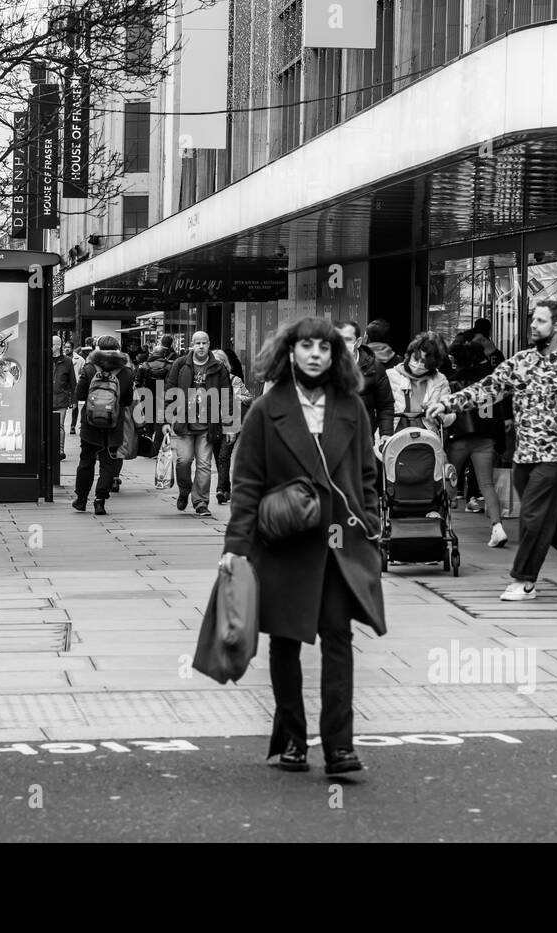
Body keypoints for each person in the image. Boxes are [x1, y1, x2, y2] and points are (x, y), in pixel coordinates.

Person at [221, 316, 385, 777]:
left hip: (339, 545)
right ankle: (293, 740)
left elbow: (366, 474)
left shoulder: (351, 407)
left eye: (324, 347)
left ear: (335, 356)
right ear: (290, 352)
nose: (315, 354)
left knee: (338, 638)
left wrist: (370, 521)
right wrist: (236, 546)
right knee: (286, 641)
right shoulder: (265, 408)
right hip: (284, 542)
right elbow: (247, 482)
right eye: (306, 346)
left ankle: (339, 747)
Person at [429, 300, 557, 602]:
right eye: (533, 320)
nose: (533, 325)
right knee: (542, 516)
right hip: (524, 455)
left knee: (532, 516)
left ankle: (524, 580)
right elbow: (486, 388)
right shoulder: (520, 361)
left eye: (540, 321)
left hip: (556, 455)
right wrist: (447, 403)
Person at [448, 340, 510, 548]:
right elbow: (499, 413)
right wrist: (500, 442)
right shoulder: (489, 380)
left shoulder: (454, 381)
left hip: (460, 437)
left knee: (449, 480)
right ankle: (497, 527)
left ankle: (442, 525)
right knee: (486, 484)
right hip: (485, 438)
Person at [165, 331, 233, 516]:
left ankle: (201, 502)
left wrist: (230, 425)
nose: (201, 346)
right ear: (192, 345)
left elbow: (227, 397)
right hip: (184, 423)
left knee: (204, 465)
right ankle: (184, 490)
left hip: (208, 425)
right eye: (198, 343)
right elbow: (169, 390)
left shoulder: (218, 367)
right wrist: (165, 420)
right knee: (184, 461)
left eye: (204, 343)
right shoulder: (180, 364)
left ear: (209, 344)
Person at [72, 335, 134, 516]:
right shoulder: (126, 372)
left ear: (97, 349)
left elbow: (80, 394)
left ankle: (81, 499)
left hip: (90, 423)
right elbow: (127, 400)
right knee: (108, 462)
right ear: (118, 350)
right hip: (114, 423)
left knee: (86, 460)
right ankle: (100, 501)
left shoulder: (90, 368)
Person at [335, 319, 395, 442]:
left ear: (358, 342)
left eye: (347, 340)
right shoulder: (323, 366)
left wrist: (386, 433)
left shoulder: (374, 368)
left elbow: (385, 406)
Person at [387, 331, 454, 437]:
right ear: (409, 354)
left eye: (424, 362)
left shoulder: (440, 380)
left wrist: (437, 412)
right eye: (416, 358)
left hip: (426, 440)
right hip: (394, 438)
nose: (418, 365)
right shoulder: (390, 376)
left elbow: (449, 419)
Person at [212, 348, 251, 505]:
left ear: (225, 364)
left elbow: (248, 398)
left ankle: (220, 489)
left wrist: (234, 397)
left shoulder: (234, 380)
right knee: (218, 456)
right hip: (214, 422)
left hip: (232, 421)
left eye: (219, 362)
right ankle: (226, 489)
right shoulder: (207, 381)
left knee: (224, 455)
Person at [51, 336, 76, 471]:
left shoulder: (67, 361)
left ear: (59, 345)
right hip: (47, 398)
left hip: (61, 398)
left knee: (59, 425)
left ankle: (60, 450)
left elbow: (73, 382)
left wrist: (74, 400)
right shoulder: (45, 359)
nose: (51, 346)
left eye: (54, 344)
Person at [69, 339, 93, 434]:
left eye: (68, 347)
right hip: (67, 385)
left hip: (76, 384)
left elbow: (83, 373)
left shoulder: (80, 358)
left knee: (75, 406)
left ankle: (73, 425)